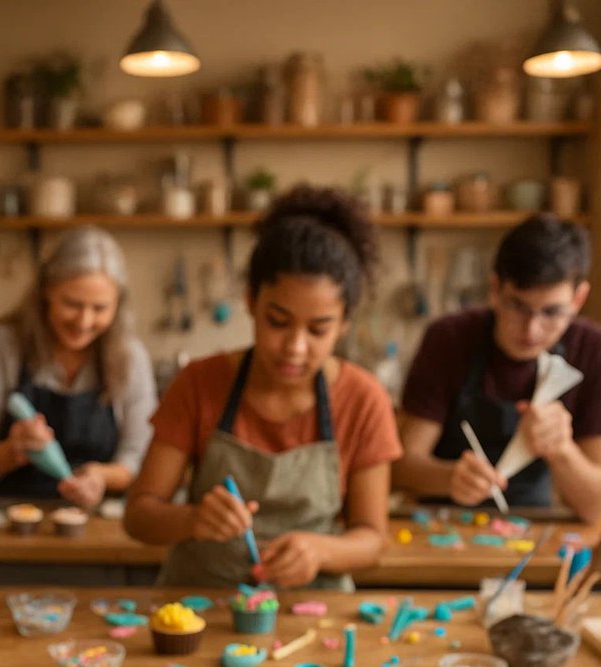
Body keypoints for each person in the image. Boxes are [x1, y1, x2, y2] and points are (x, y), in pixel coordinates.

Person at [123, 185, 401, 589]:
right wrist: (193, 518)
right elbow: (138, 517)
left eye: (318, 329)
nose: (295, 347)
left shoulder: (364, 399)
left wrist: (321, 551)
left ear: (344, 323)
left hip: (309, 610)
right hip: (202, 606)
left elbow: (373, 540)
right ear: (251, 301)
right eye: (278, 321)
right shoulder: (200, 383)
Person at [394, 215, 601, 521]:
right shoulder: (449, 338)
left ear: (578, 299)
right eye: (518, 307)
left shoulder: (596, 350)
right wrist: (449, 478)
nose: (532, 330)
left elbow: (597, 507)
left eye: (552, 312)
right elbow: (400, 468)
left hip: (535, 527)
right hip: (445, 523)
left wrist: (562, 450)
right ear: (495, 290)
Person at [0, 227, 157, 506]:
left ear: (117, 305)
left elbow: (137, 459)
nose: (84, 322)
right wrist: (11, 451)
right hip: (6, 515)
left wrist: (100, 476)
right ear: (47, 291)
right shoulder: (3, 345)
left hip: (94, 522)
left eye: (99, 308)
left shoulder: (130, 357)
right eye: (72, 304)